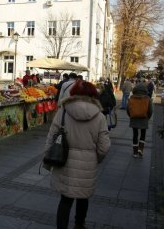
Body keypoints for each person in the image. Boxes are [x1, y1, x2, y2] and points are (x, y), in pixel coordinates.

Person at [44, 79, 110, 229]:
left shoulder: (63, 111)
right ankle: (79, 225)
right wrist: (95, 158)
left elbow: (51, 136)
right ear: (94, 95)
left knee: (65, 200)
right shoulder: (99, 116)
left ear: (73, 93)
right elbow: (104, 146)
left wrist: (48, 160)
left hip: (64, 161)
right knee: (83, 197)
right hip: (87, 164)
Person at [126, 84, 153, 158]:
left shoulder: (131, 98)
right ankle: (140, 149)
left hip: (134, 118)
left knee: (135, 135)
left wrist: (131, 115)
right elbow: (150, 110)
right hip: (144, 118)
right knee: (143, 134)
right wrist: (148, 117)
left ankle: (135, 153)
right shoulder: (147, 98)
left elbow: (128, 109)